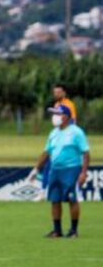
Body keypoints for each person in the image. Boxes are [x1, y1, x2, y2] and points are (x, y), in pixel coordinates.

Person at [31, 104, 90, 238]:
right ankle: (57, 230)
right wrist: (36, 169)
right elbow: (46, 152)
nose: (54, 117)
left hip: (71, 169)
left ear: (66, 117)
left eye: (57, 114)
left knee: (72, 199)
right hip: (55, 170)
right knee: (54, 199)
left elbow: (86, 153)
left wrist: (83, 172)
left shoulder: (76, 132)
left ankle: (74, 230)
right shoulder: (53, 132)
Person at [38, 84, 79, 200]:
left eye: (58, 92)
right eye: (55, 92)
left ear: (64, 93)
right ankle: (43, 191)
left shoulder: (69, 104)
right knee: (49, 164)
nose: (56, 94)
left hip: (66, 140)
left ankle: (75, 192)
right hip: (58, 137)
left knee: (70, 167)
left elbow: (73, 121)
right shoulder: (56, 105)